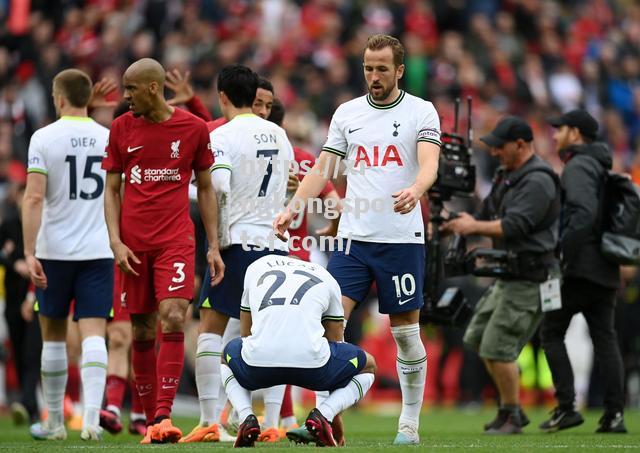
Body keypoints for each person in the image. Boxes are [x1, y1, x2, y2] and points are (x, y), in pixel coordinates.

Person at [274, 34, 440, 445]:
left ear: (399, 70)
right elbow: (323, 169)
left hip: (401, 240)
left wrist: (415, 191)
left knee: (405, 333)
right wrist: (294, 207)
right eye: (368, 68)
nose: (374, 76)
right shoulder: (348, 114)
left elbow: (429, 164)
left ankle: (409, 423)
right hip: (352, 239)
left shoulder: (422, 111)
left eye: (382, 68)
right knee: (327, 326)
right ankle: (329, 414)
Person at [102, 58, 224, 444]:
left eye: (131, 89)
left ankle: (162, 415)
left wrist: (214, 244)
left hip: (175, 240)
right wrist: (115, 241)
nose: (126, 97)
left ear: (152, 88)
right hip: (133, 246)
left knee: (173, 315)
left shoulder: (191, 128)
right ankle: (150, 416)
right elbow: (112, 189)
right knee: (140, 328)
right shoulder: (121, 128)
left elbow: (205, 188)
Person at [182, 65, 294, 444]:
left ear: (223, 97)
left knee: (210, 330)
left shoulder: (224, 136)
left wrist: (215, 241)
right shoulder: (280, 135)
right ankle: (268, 420)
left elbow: (221, 188)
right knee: (266, 335)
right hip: (276, 247)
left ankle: (210, 420)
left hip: (239, 244)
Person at [443, 116, 561, 434]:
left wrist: (472, 227)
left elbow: (515, 225)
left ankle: (512, 413)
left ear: (520, 145)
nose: (494, 152)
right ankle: (509, 409)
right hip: (509, 274)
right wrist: (454, 219)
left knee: (498, 345)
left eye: (500, 146)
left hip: (532, 277)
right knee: (478, 338)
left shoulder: (538, 180)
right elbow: (485, 213)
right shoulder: (506, 175)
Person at [23, 69, 114, 441]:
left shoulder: (43, 138)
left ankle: (56, 423)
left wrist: (29, 251)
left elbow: (33, 197)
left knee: (54, 336)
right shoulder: (108, 138)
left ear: (59, 97)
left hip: (54, 250)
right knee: (94, 332)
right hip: (99, 248)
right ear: (88, 97)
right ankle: (91, 421)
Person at [221, 254, 376, 447]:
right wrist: (334, 414)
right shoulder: (325, 276)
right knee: (368, 366)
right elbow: (336, 342)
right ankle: (323, 414)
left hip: (258, 367)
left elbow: (245, 334)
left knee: (226, 357)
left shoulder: (256, 267)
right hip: (313, 370)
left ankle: (246, 417)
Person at [540, 109, 627, 433]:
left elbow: (584, 214)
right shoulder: (601, 164)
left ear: (575, 134)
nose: (554, 134)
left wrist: (564, 252)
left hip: (580, 268)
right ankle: (614, 415)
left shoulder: (577, 165)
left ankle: (566, 407)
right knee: (605, 338)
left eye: (559, 129)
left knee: (550, 332)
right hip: (606, 265)